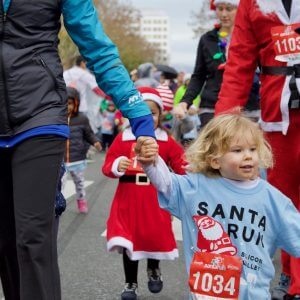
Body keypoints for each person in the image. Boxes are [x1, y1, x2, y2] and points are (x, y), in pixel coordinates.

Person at [0, 1, 156, 299]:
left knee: (32, 236)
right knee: (5, 241)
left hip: (40, 115)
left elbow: (96, 47)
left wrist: (136, 110)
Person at [139, 114, 300, 299]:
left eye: (253, 149)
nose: (248, 155)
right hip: (207, 293)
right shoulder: (196, 187)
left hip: (252, 294)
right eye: (237, 150)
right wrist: (151, 162)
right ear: (215, 160)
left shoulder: (273, 199)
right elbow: (166, 184)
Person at [214, 1, 300, 299]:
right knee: (283, 202)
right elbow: (239, 62)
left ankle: (296, 280)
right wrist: (222, 128)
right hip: (278, 119)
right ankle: (289, 273)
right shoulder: (252, 4)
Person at [102, 87, 186, 300]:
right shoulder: (123, 138)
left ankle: (153, 269)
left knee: (152, 237)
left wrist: (194, 173)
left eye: (153, 113)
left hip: (154, 198)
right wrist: (116, 164)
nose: (147, 118)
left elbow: (181, 164)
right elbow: (107, 165)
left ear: (160, 114)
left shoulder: (166, 140)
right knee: (128, 240)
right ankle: (130, 283)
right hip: (128, 197)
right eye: (141, 112)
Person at [174, 0, 260, 128]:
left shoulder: (253, 37)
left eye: (229, 9)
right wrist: (185, 102)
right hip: (211, 106)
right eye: (220, 9)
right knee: (214, 146)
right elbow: (199, 75)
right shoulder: (207, 39)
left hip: (247, 107)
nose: (224, 14)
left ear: (240, 9)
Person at [65, 87, 101, 213]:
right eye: (64, 104)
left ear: (76, 103)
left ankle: (81, 200)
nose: (67, 107)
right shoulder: (57, 119)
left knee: (79, 183)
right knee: (59, 185)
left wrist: (95, 141)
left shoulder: (81, 119)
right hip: (61, 160)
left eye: (70, 104)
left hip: (77, 159)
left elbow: (88, 134)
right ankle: (59, 204)